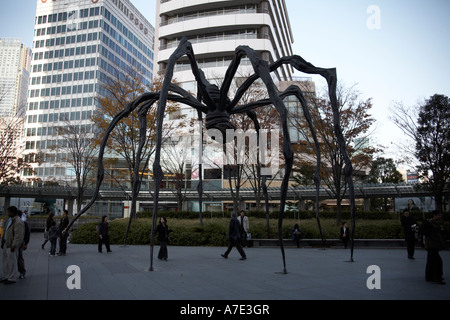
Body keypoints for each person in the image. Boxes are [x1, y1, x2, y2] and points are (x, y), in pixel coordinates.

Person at [420, 210, 446, 285]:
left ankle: (430, 276)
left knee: (431, 261)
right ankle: (437, 277)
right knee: (437, 262)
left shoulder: (431, 222)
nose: (440, 217)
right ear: (435, 215)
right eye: (439, 215)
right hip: (432, 245)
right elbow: (435, 232)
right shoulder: (431, 223)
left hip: (431, 245)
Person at [1, 206, 25, 285]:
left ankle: (11, 277)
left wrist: (14, 245)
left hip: (12, 244)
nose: (7, 213)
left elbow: (18, 235)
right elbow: (6, 231)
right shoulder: (9, 221)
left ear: (13, 212)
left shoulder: (18, 222)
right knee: (6, 261)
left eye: (9, 212)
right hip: (6, 243)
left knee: (11, 261)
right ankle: (6, 276)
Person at [17, 210, 30, 279]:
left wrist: (26, 243)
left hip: (19, 242)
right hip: (10, 243)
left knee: (19, 257)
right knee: (9, 258)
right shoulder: (10, 221)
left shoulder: (23, 223)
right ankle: (8, 274)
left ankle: (22, 271)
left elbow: (27, 233)